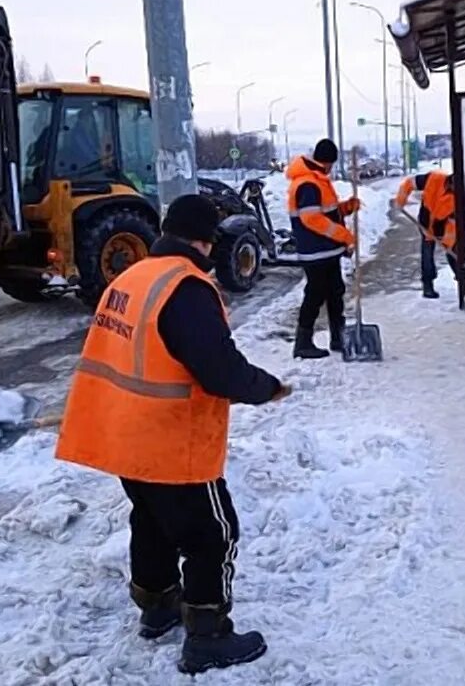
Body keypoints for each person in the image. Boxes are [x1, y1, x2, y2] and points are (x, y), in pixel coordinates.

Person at [54, 194, 291, 675]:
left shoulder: (134, 276)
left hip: (124, 434)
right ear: (205, 240)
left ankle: (157, 607)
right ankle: (207, 636)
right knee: (213, 533)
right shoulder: (185, 288)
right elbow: (219, 371)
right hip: (170, 441)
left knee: (152, 519)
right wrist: (267, 388)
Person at [285, 138, 361, 359]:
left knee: (335, 292)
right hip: (315, 251)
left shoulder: (317, 180)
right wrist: (344, 236)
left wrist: (346, 208)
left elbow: (328, 212)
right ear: (328, 162)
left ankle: (338, 337)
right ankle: (303, 342)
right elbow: (312, 219)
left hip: (327, 251)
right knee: (315, 294)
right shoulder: (307, 184)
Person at [394, 169, 465, 299]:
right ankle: (428, 287)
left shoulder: (459, 197)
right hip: (425, 222)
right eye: (453, 187)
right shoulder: (433, 178)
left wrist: (448, 242)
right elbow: (408, 183)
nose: (454, 190)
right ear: (450, 180)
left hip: (444, 226)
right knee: (427, 254)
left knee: (454, 253)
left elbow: (453, 221)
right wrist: (400, 201)